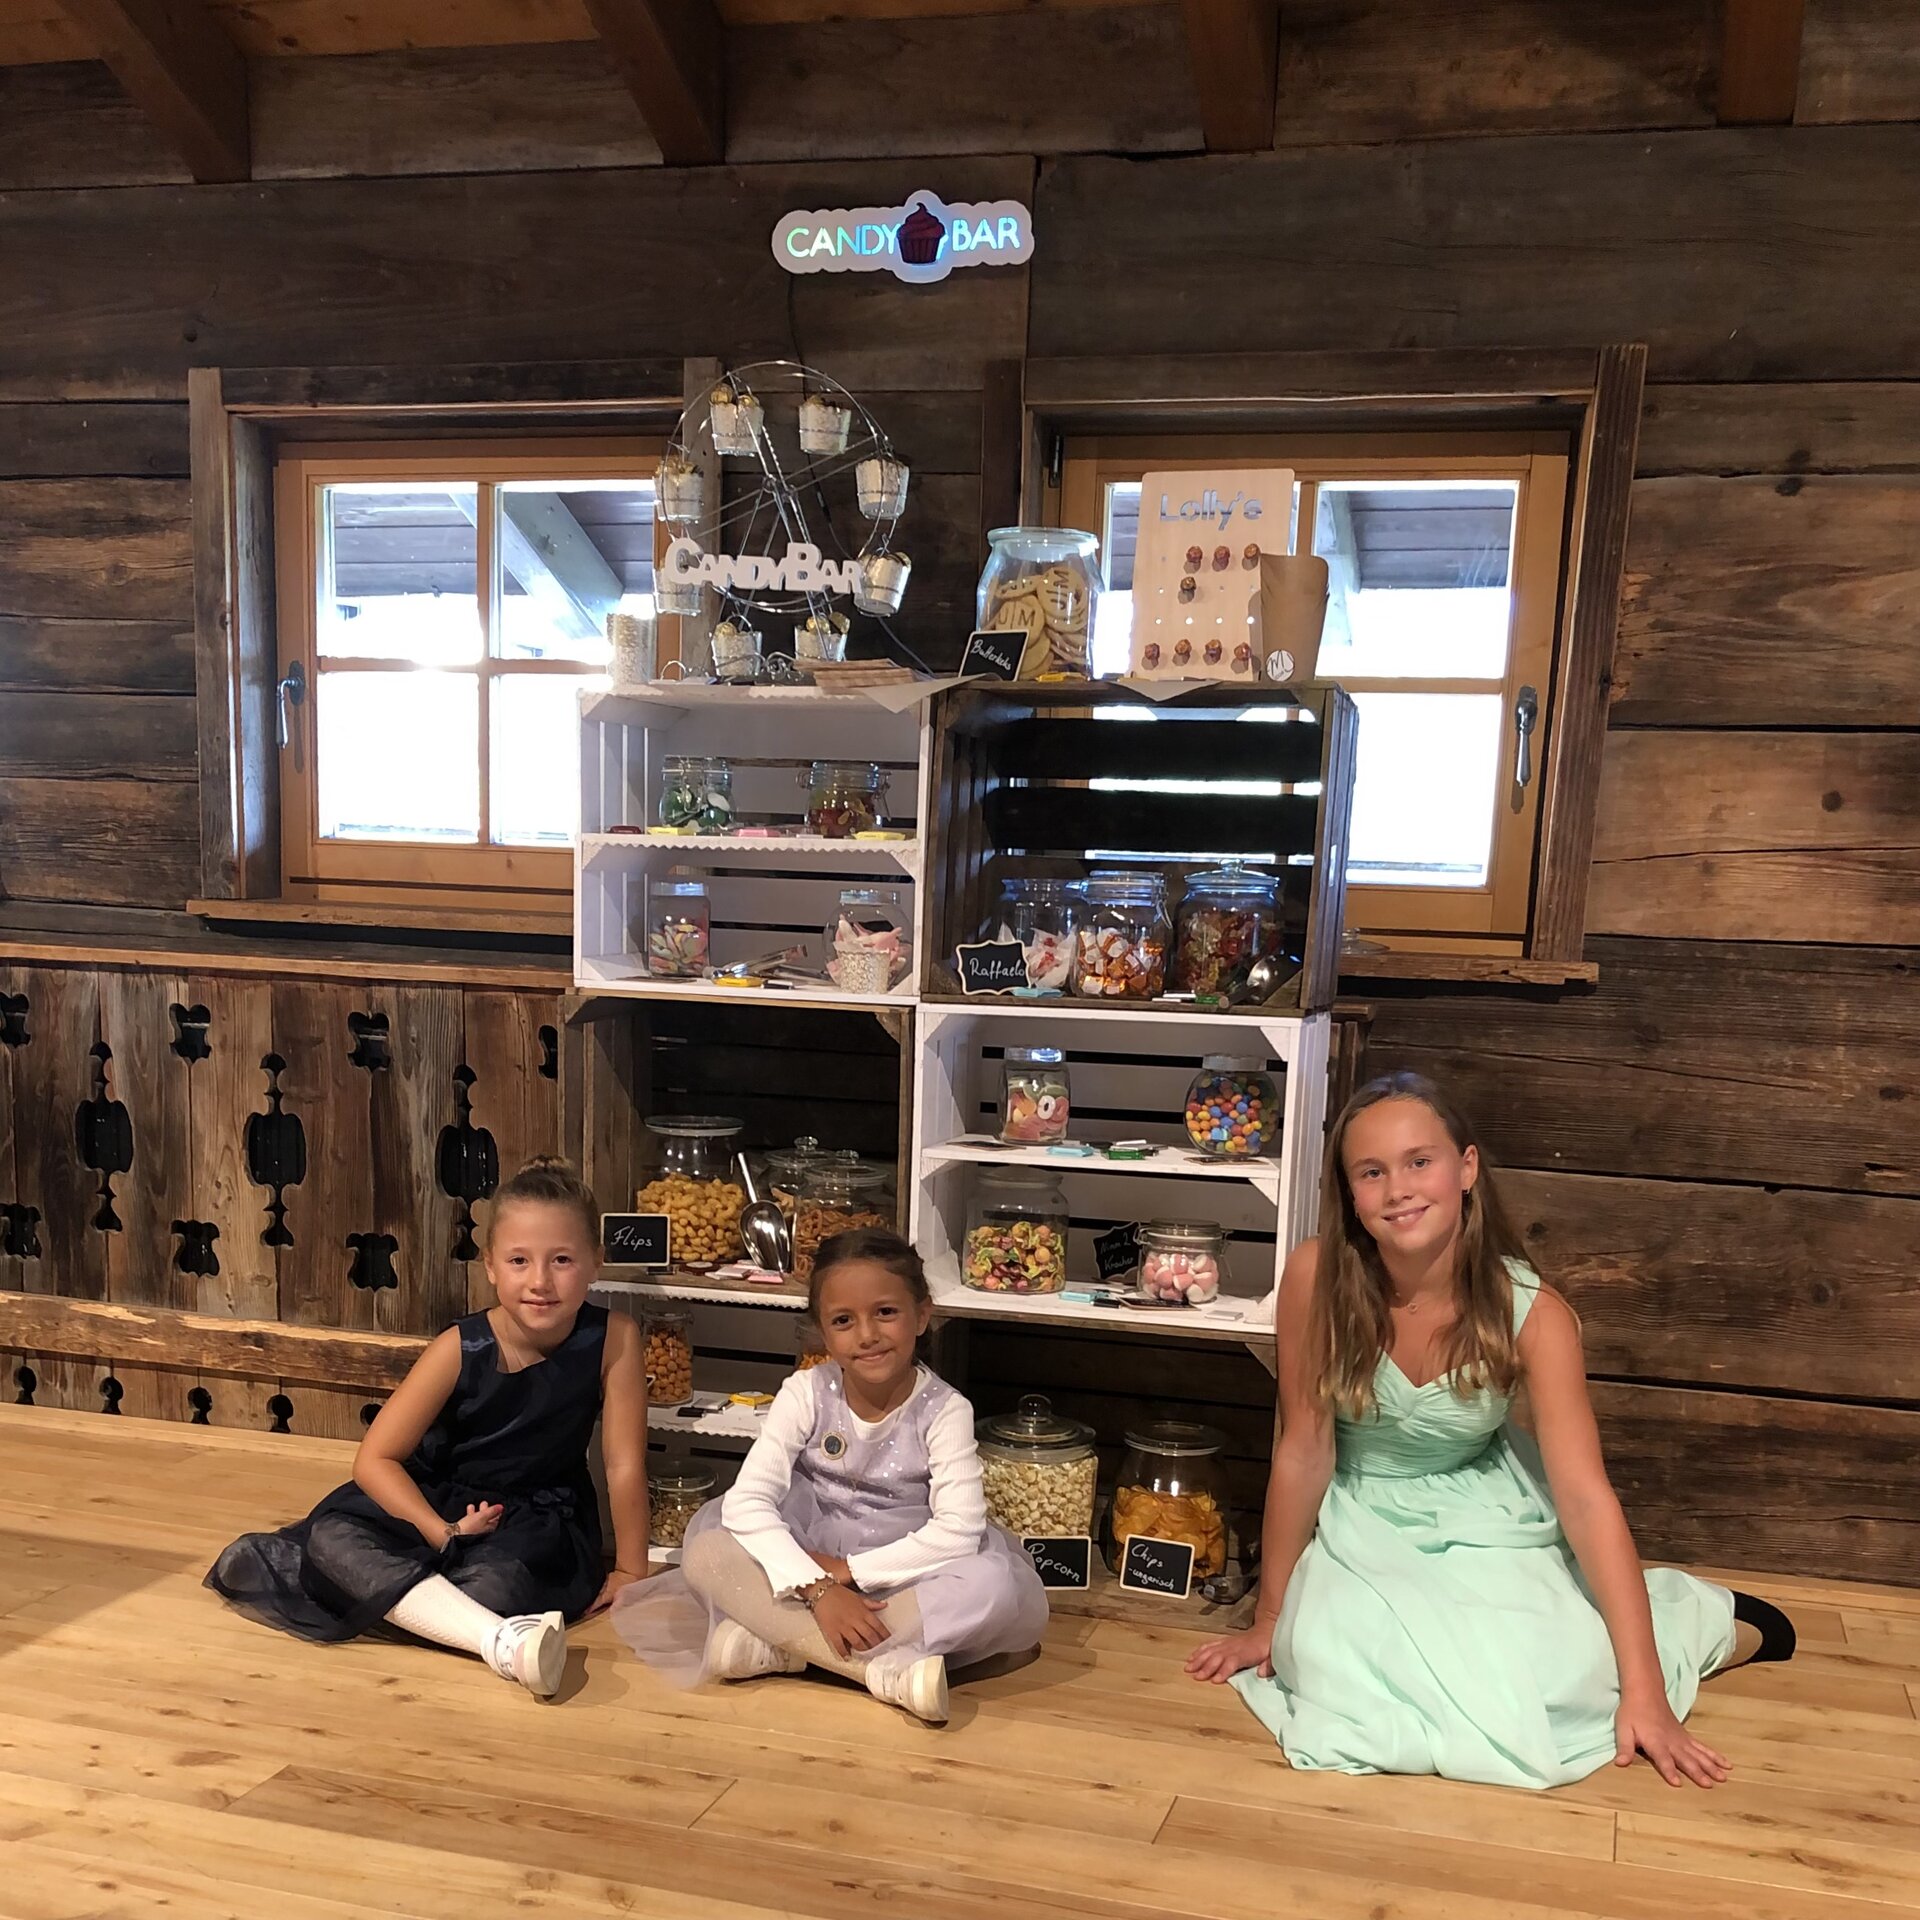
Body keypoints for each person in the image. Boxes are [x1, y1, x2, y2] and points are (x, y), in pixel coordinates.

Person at [1186, 1072, 1794, 1790]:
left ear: (1467, 1168)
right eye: (1372, 1172)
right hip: (1362, 1513)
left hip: (1483, 1510)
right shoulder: (1317, 1276)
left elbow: (1586, 1498)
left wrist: (1647, 1691)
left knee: (1559, 1677)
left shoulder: (1534, 1313)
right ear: (1349, 1193)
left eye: (1420, 1162)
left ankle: (1697, 1625)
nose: (1398, 1190)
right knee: (1337, 1667)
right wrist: (1269, 1617)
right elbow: (1304, 1452)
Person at [206, 1157, 649, 1699]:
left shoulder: (615, 1338)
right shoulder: (459, 1347)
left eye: (562, 1260)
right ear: (490, 1265)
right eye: (518, 1260)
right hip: (436, 1503)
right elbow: (375, 1460)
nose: (539, 1281)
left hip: (539, 1518)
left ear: (596, 1262)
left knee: (499, 1585)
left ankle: (431, 1610)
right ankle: (497, 1639)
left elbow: (623, 1464)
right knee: (331, 1539)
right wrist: (441, 1532)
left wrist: (631, 1569)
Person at [612, 1227, 1048, 1724]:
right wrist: (817, 1588)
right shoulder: (806, 1392)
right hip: (810, 1551)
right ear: (821, 1329)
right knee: (708, 1549)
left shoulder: (946, 1409)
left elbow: (958, 1532)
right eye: (843, 1320)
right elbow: (747, 1503)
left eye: (886, 1312)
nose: (867, 1335)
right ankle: (878, 1671)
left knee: (992, 1584)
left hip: (905, 1567)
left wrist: (847, 1574)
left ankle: (782, 1645)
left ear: (922, 1315)